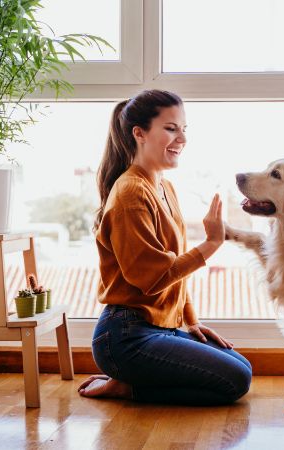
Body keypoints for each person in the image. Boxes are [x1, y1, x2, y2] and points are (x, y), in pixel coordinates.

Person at [78, 90, 252, 405]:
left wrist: (191, 320)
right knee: (235, 381)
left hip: (160, 327)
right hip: (125, 336)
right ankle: (127, 387)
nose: (182, 138)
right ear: (139, 134)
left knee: (242, 366)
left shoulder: (163, 186)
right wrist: (212, 243)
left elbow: (174, 271)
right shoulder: (130, 193)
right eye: (171, 128)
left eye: (184, 129)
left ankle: (131, 381)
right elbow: (153, 278)